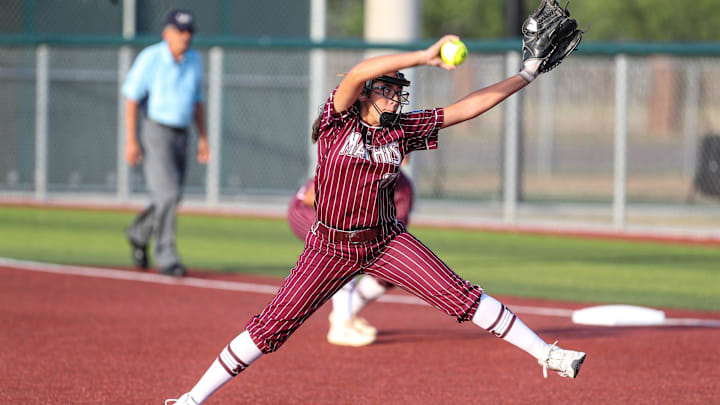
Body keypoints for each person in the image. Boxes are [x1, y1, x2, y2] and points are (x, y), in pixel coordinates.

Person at [166, 35, 586, 405]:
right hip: (328, 246)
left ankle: (547, 354)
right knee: (272, 328)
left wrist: (527, 74)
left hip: (385, 241)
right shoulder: (337, 122)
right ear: (366, 94)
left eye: (398, 93)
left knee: (459, 295)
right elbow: (359, 71)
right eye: (387, 91)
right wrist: (424, 55)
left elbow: (466, 109)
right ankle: (190, 399)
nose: (396, 99)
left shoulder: (402, 131)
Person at [122, 9, 210, 277]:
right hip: (156, 130)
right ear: (166, 33)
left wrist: (203, 137)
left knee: (171, 196)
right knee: (168, 195)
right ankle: (167, 257)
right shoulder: (151, 57)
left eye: (188, 32)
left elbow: (196, 101)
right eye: (179, 31)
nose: (185, 36)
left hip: (182, 133)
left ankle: (138, 233)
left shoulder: (194, 60)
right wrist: (131, 140)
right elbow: (132, 98)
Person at [287, 161, 414, 346]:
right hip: (307, 213)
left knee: (395, 266)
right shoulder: (356, 165)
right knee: (347, 245)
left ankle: (349, 312)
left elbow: (396, 229)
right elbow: (310, 197)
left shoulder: (403, 188)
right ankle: (341, 324)